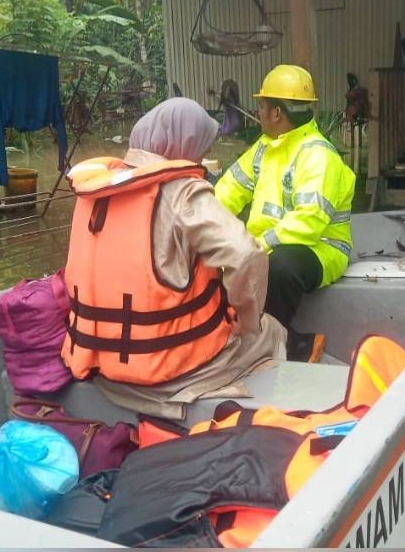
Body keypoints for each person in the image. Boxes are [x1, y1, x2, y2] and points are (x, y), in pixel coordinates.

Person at [61, 97, 286, 420]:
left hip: (101, 369)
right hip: (170, 375)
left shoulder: (94, 191)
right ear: (187, 144)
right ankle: (266, 422)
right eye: (200, 146)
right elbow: (247, 256)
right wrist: (245, 319)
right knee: (270, 329)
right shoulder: (182, 191)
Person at [215, 64, 356, 363]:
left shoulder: (319, 155)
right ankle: (266, 341)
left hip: (321, 248)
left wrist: (257, 246)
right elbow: (227, 191)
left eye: (262, 106)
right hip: (270, 244)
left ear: (277, 114)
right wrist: (200, 227)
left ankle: (277, 348)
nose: (260, 112)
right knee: (214, 260)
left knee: (279, 267)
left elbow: (309, 221)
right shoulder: (264, 148)